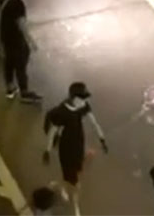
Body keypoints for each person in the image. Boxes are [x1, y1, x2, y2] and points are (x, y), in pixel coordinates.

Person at [44, 82, 107, 216]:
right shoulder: (62, 112)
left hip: (79, 141)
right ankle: (75, 204)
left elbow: (94, 122)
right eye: (82, 98)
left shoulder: (82, 107)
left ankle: (61, 185)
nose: (85, 101)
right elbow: (53, 132)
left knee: (74, 173)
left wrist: (102, 138)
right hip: (66, 146)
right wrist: (47, 150)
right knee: (73, 178)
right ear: (73, 97)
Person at [0, 0, 38, 101]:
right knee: (21, 64)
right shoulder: (17, 2)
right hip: (16, 38)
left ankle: (10, 87)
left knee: (9, 62)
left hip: (6, 37)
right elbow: (21, 23)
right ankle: (24, 92)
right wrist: (31, 40)